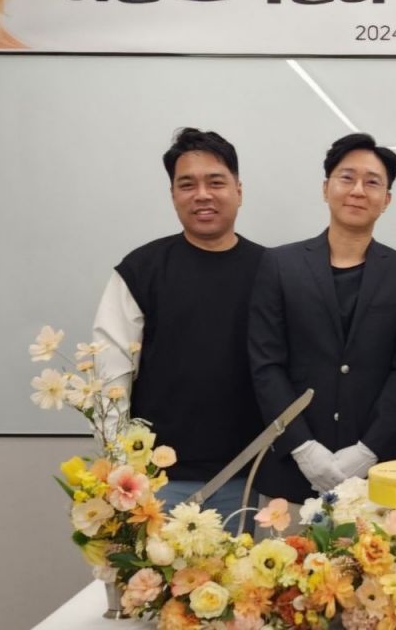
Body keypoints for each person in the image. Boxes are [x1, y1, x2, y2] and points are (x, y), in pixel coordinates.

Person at [93, 127, 266, 522]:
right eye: (187, 184)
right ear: (173, 194)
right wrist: (122, 468)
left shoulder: (271, 271)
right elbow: (110, 376)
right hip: (155, 480)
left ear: (238, 190)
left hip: (244, 474)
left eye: (215, 182)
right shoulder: (141, 270)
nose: (202, 194)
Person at [248, 133, 396, 503]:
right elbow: (266, 365)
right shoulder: (279, 265)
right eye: (347, 178)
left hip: (376, 477)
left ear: (386, 200)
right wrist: (302, 447)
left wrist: (368, 450)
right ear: (325, 188)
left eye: (372, 182)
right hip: (290, 473)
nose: (358, 190)